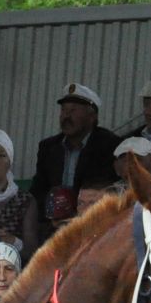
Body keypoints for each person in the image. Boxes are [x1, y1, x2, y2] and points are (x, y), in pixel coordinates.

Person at [31, 82, 119, 234]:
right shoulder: (49, 147)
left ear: (92, 116)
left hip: (92, 226)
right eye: (63, 110)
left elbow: (109, 190)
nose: (66, 116)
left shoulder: (109, 145)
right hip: (53, 227)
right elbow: (39, 189)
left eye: (73, 110)